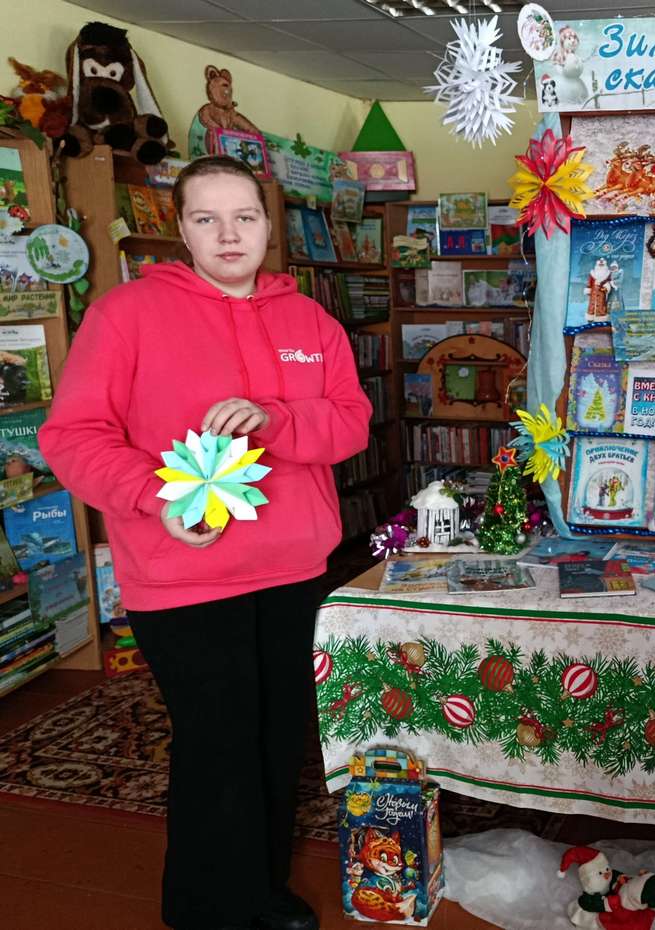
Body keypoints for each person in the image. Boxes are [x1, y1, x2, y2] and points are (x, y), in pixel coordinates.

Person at [40, 155, 372, 930]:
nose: (228, 235)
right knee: (217, 742)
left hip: (293, 571)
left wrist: (276, 419)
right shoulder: (124, 315)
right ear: (180, 230)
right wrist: (156, 496)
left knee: (277, 737)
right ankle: (205, 906)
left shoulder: (310, 322)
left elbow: (350, 422)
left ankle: (259, 890)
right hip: (182, 578)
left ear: (267, 225)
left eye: (244, 217)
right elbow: (72, 436)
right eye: (206, 219)